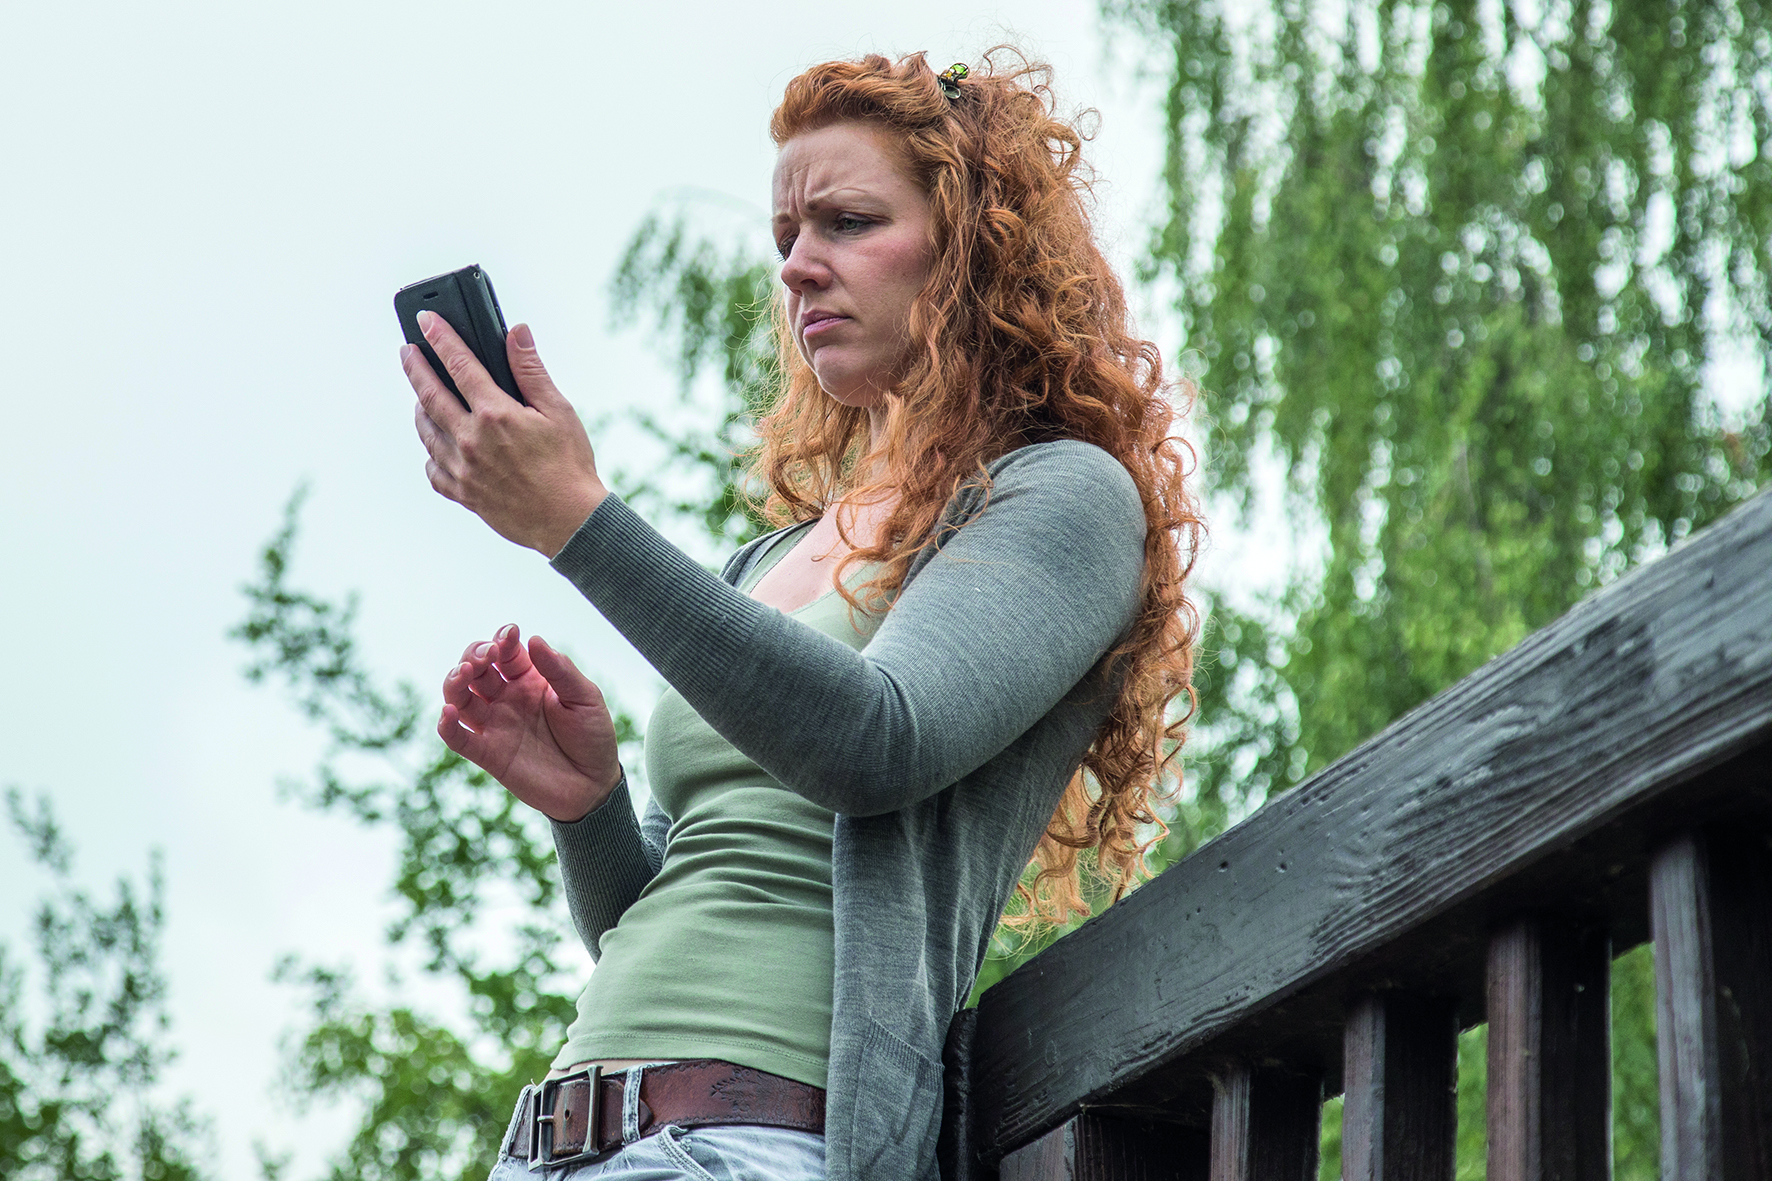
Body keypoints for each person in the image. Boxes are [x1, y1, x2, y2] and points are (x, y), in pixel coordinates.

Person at [401, 49, 1202, 1181]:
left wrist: (579, 523)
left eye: (846, 221)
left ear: (972, 246)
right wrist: (589, 808)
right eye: (786, 238)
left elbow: (877, 741)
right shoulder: (770, 557)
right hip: (560, 1143)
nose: (798, 268)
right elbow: (693, 902)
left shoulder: (1059, 495)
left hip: (750, 1148)